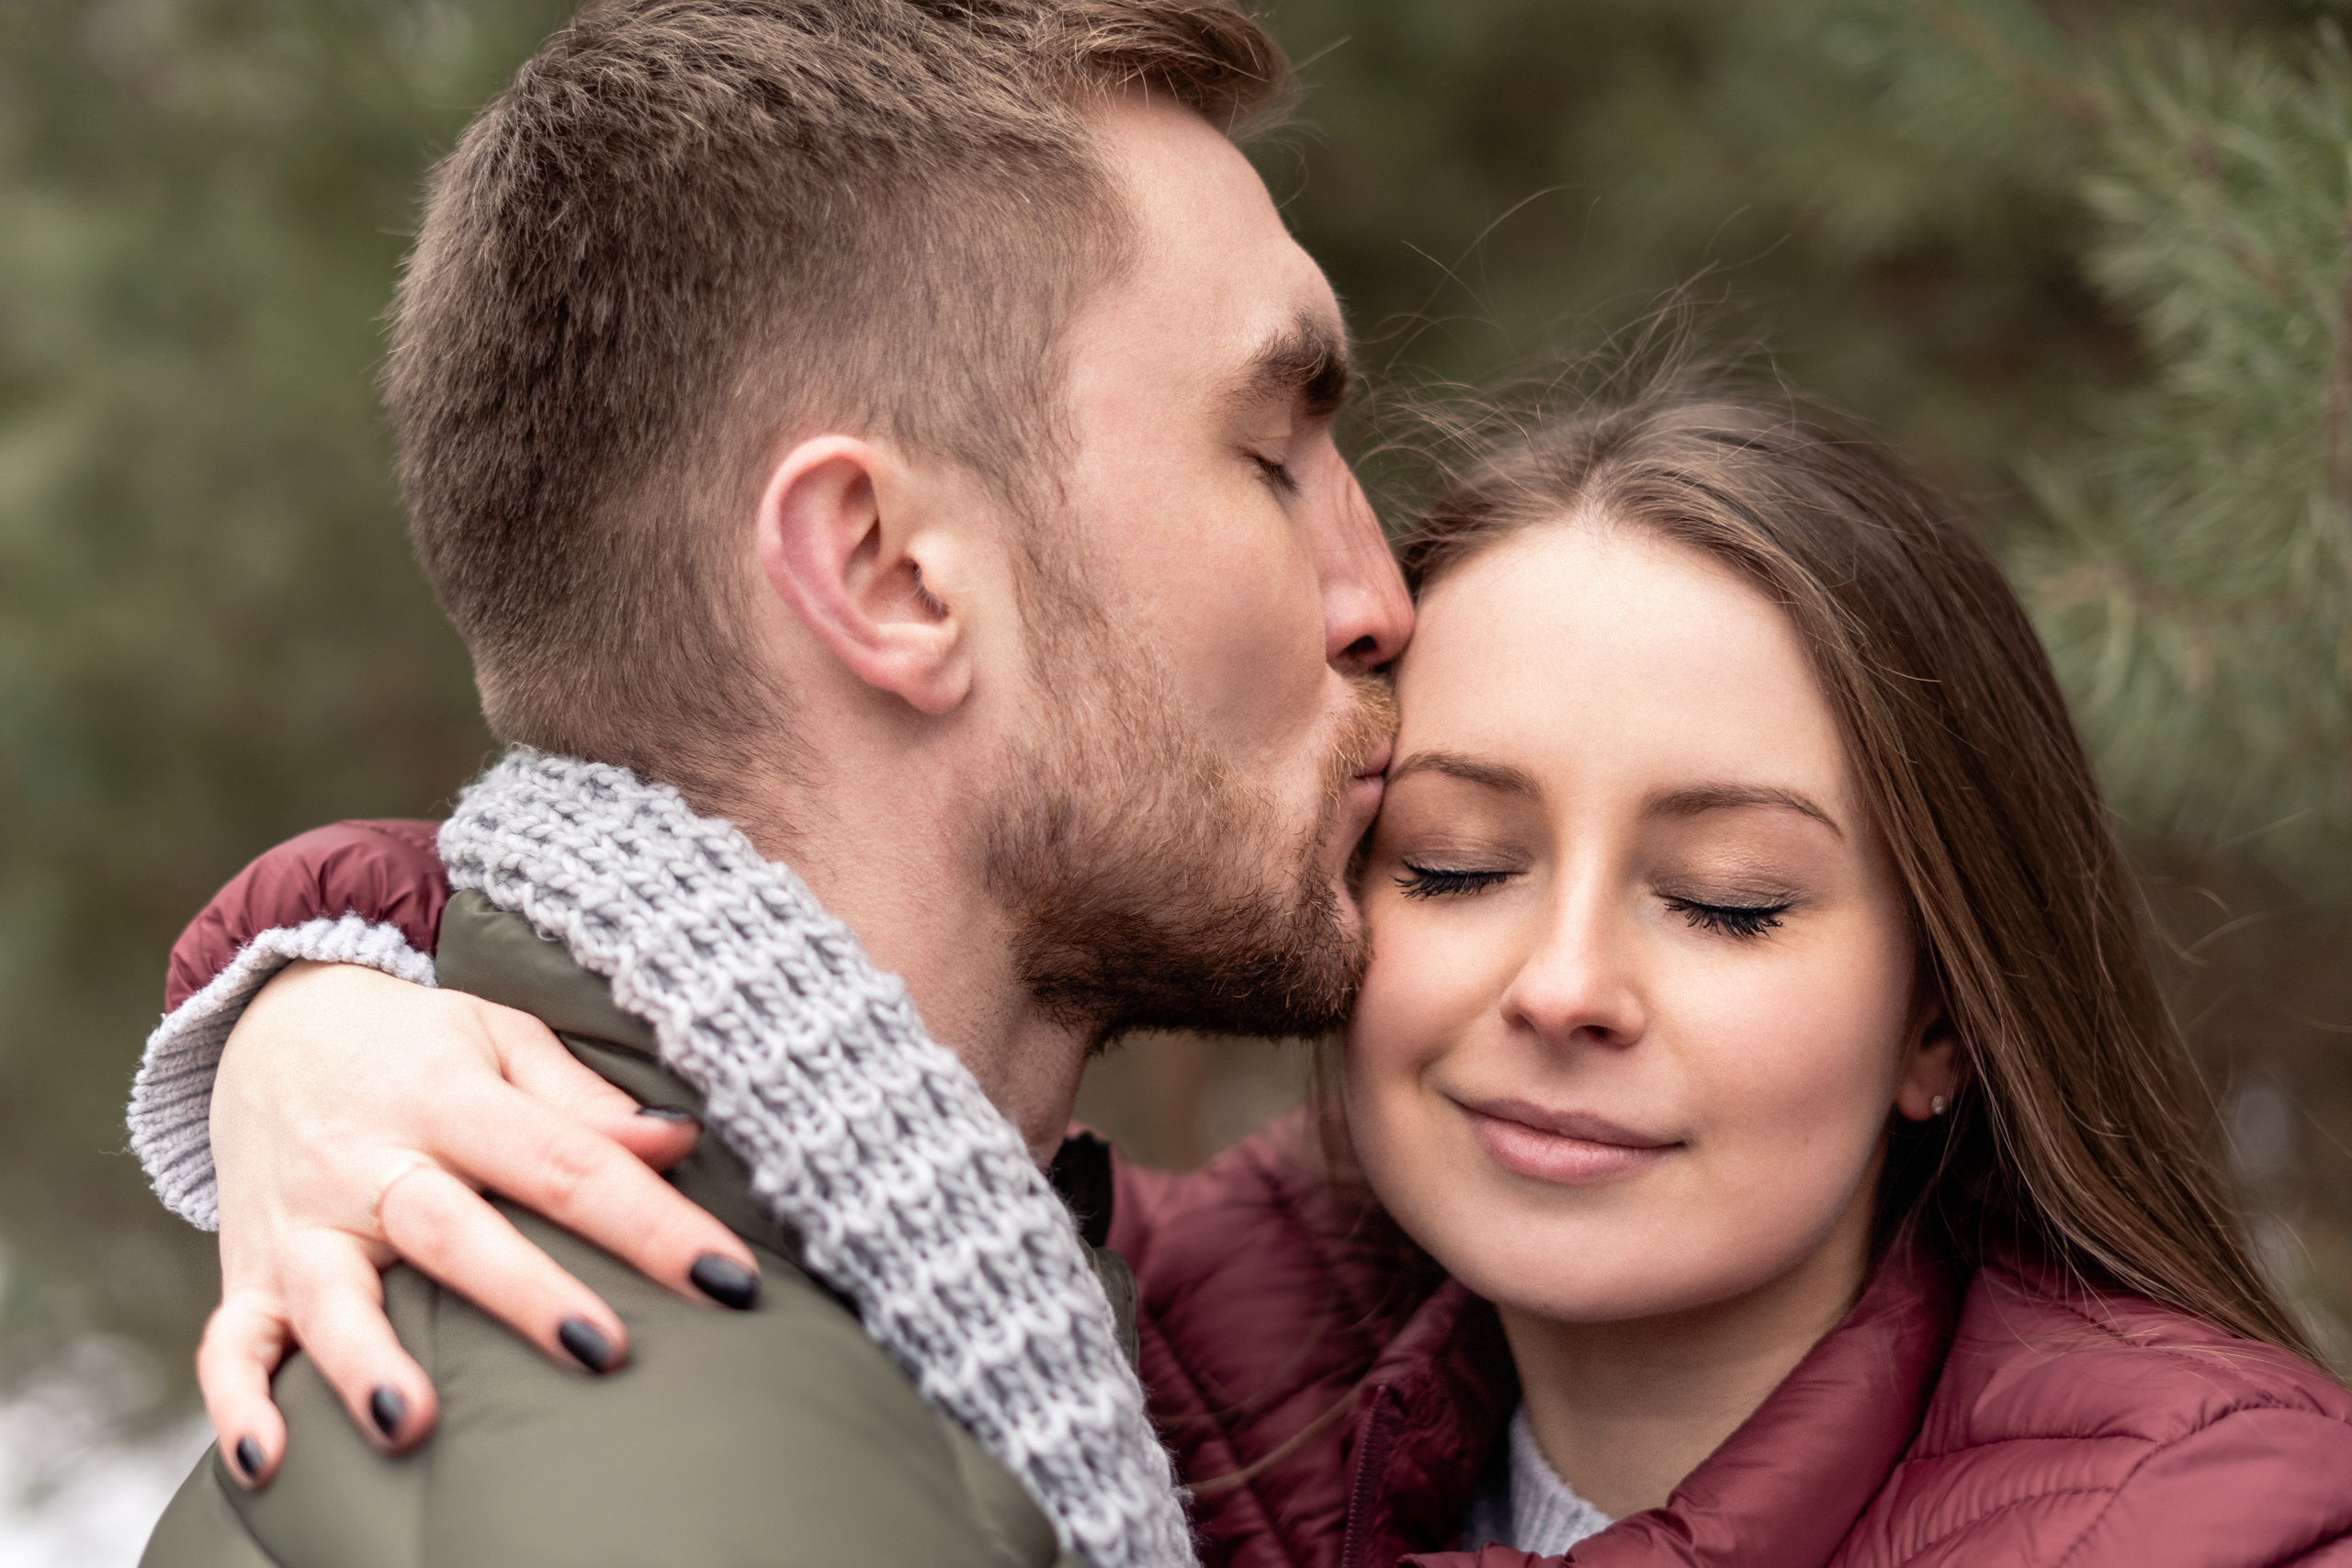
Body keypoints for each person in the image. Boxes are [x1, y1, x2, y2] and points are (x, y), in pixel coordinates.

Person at [148, 382, 2352, 1568]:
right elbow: (686, 925)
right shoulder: (1162, 1332)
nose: (1562, 980)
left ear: (1942, 1016)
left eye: (1727, 900)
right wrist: (315, 1006)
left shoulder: (2209, 1524)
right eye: (1458, 859)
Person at [131, 1, 1417, 1564]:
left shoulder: (840, 1350)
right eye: (1274, 456)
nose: (1378, 597)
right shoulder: (701, 1472)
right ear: (886, 574)